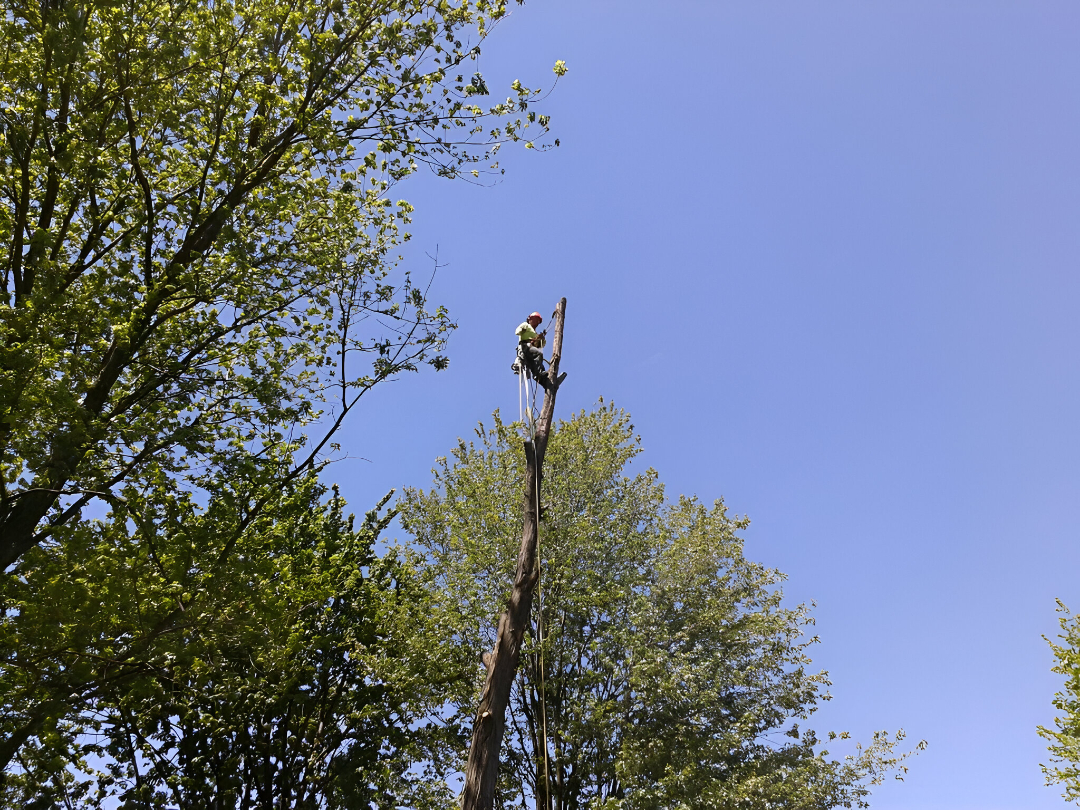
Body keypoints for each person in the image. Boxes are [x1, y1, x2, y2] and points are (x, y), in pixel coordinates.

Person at [514, 311, 552, 389]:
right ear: (530, 319)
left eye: (538, 321)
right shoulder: (525, 325)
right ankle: (538, 374)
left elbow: (541, 345)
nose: (536, 322)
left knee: (536, 363)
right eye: (535, 320)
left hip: (530, 352)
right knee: (538, 354)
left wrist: (541, 338)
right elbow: (517, 331)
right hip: (525, 348)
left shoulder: (535, 333)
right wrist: (521, 331)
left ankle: (543, 381)